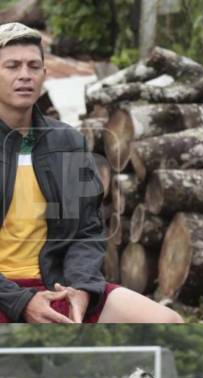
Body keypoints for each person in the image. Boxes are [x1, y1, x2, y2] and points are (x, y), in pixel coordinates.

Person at [0, 23, 181, 323]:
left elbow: (87, 230)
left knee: (167, 320)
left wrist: (82, 288)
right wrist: (21, 302)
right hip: (5, 292)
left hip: (55, 285)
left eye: (34, 66)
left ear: (44, 74)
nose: (25, 75)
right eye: (12, 66)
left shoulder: (67, 142)